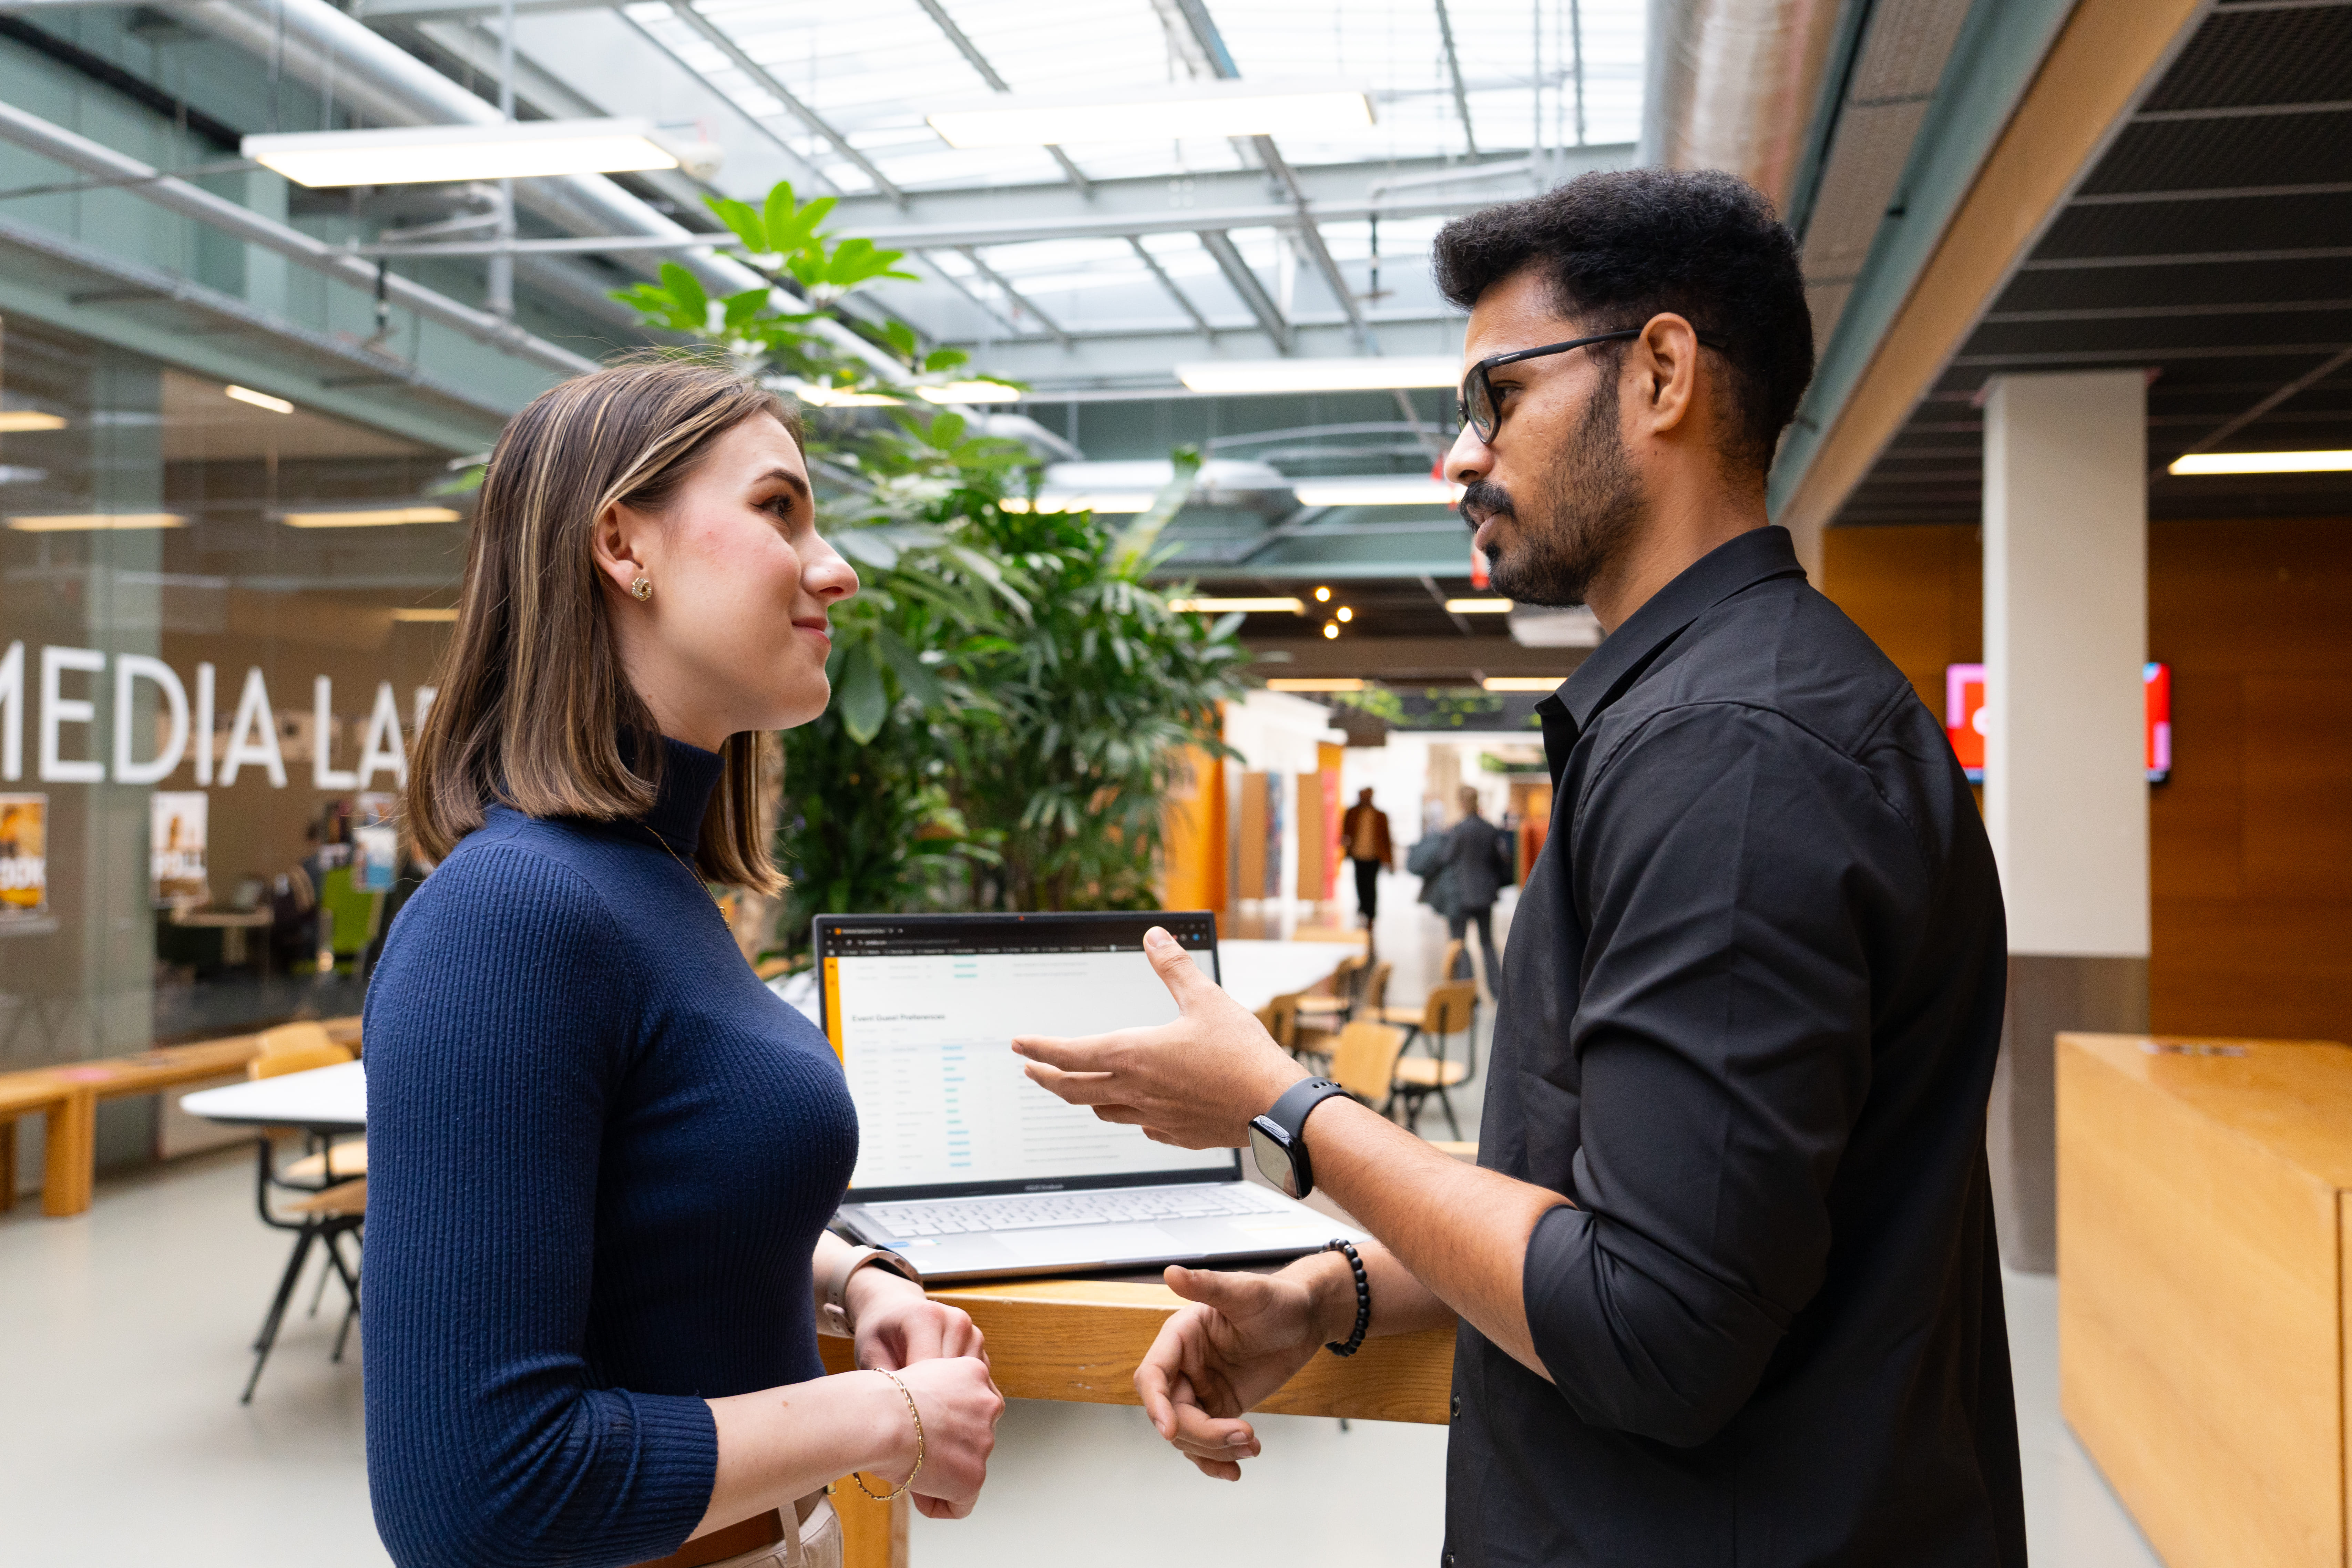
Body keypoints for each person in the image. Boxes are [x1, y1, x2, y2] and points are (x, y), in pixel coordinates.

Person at [1012, 168, 2020, 1566]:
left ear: (1659, 373)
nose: (1457, 457)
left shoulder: (1727, 754)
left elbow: (1652, 1326)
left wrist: (1281, 1105)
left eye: (1496, 397)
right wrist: (1327, 1293)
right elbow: (1608, 1217)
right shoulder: (1723, 717)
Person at [365, 358, 1004, 1568]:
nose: (835, 568)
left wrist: (855, 1281)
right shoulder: (508, 917)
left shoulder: (645, 884)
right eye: (778, 510)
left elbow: (661, 1211)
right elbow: (479, 1498)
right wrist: (883, 1416)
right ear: (623, 544)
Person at [1436, 785, 1507, 994]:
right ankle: (1497, 990)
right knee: (1487, 942)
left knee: (1459, 942)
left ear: (1461, 803)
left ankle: (1467, 991)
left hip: (1461, 894)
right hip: (1485, 894)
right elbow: (1498, 860)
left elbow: (1446, 858)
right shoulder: (1489, 829)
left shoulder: (1458, 830)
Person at [1337, 787, 1391, 926]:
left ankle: (1371, 914)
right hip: (1358, 855)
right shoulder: (1352, 813)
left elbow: (1386, 839)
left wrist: (1389, 860)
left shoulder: (1380, 816)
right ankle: (1363, 906)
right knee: (1360, 883)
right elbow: (1345, 832)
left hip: (1374, 856)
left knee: (1371, 885)